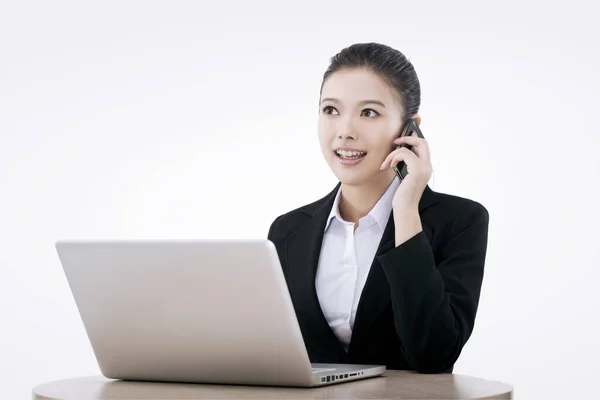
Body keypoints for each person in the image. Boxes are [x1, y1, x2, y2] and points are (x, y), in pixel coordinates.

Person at [267, 42, 489, 374]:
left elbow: (433, 355)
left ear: (409, 129)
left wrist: (406, 210)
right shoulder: (287, 231)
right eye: (331, 110)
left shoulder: (459, 221)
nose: (345, 131)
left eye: (368, 112)